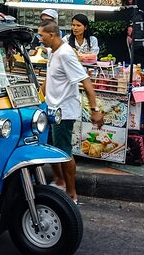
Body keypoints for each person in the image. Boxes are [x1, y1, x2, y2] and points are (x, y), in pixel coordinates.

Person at [38, 20, 104, 203]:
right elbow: (49, 78)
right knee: (50, 148)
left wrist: (95, 109)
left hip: (64, 111)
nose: (39, 39)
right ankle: (59, 181)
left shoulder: (66, 54)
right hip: (51, 108)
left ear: (51, 35)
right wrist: (39, 97)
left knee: (64, 151)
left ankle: (71, 193)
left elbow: (86, 81)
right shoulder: (53, 51)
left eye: (41, 35)